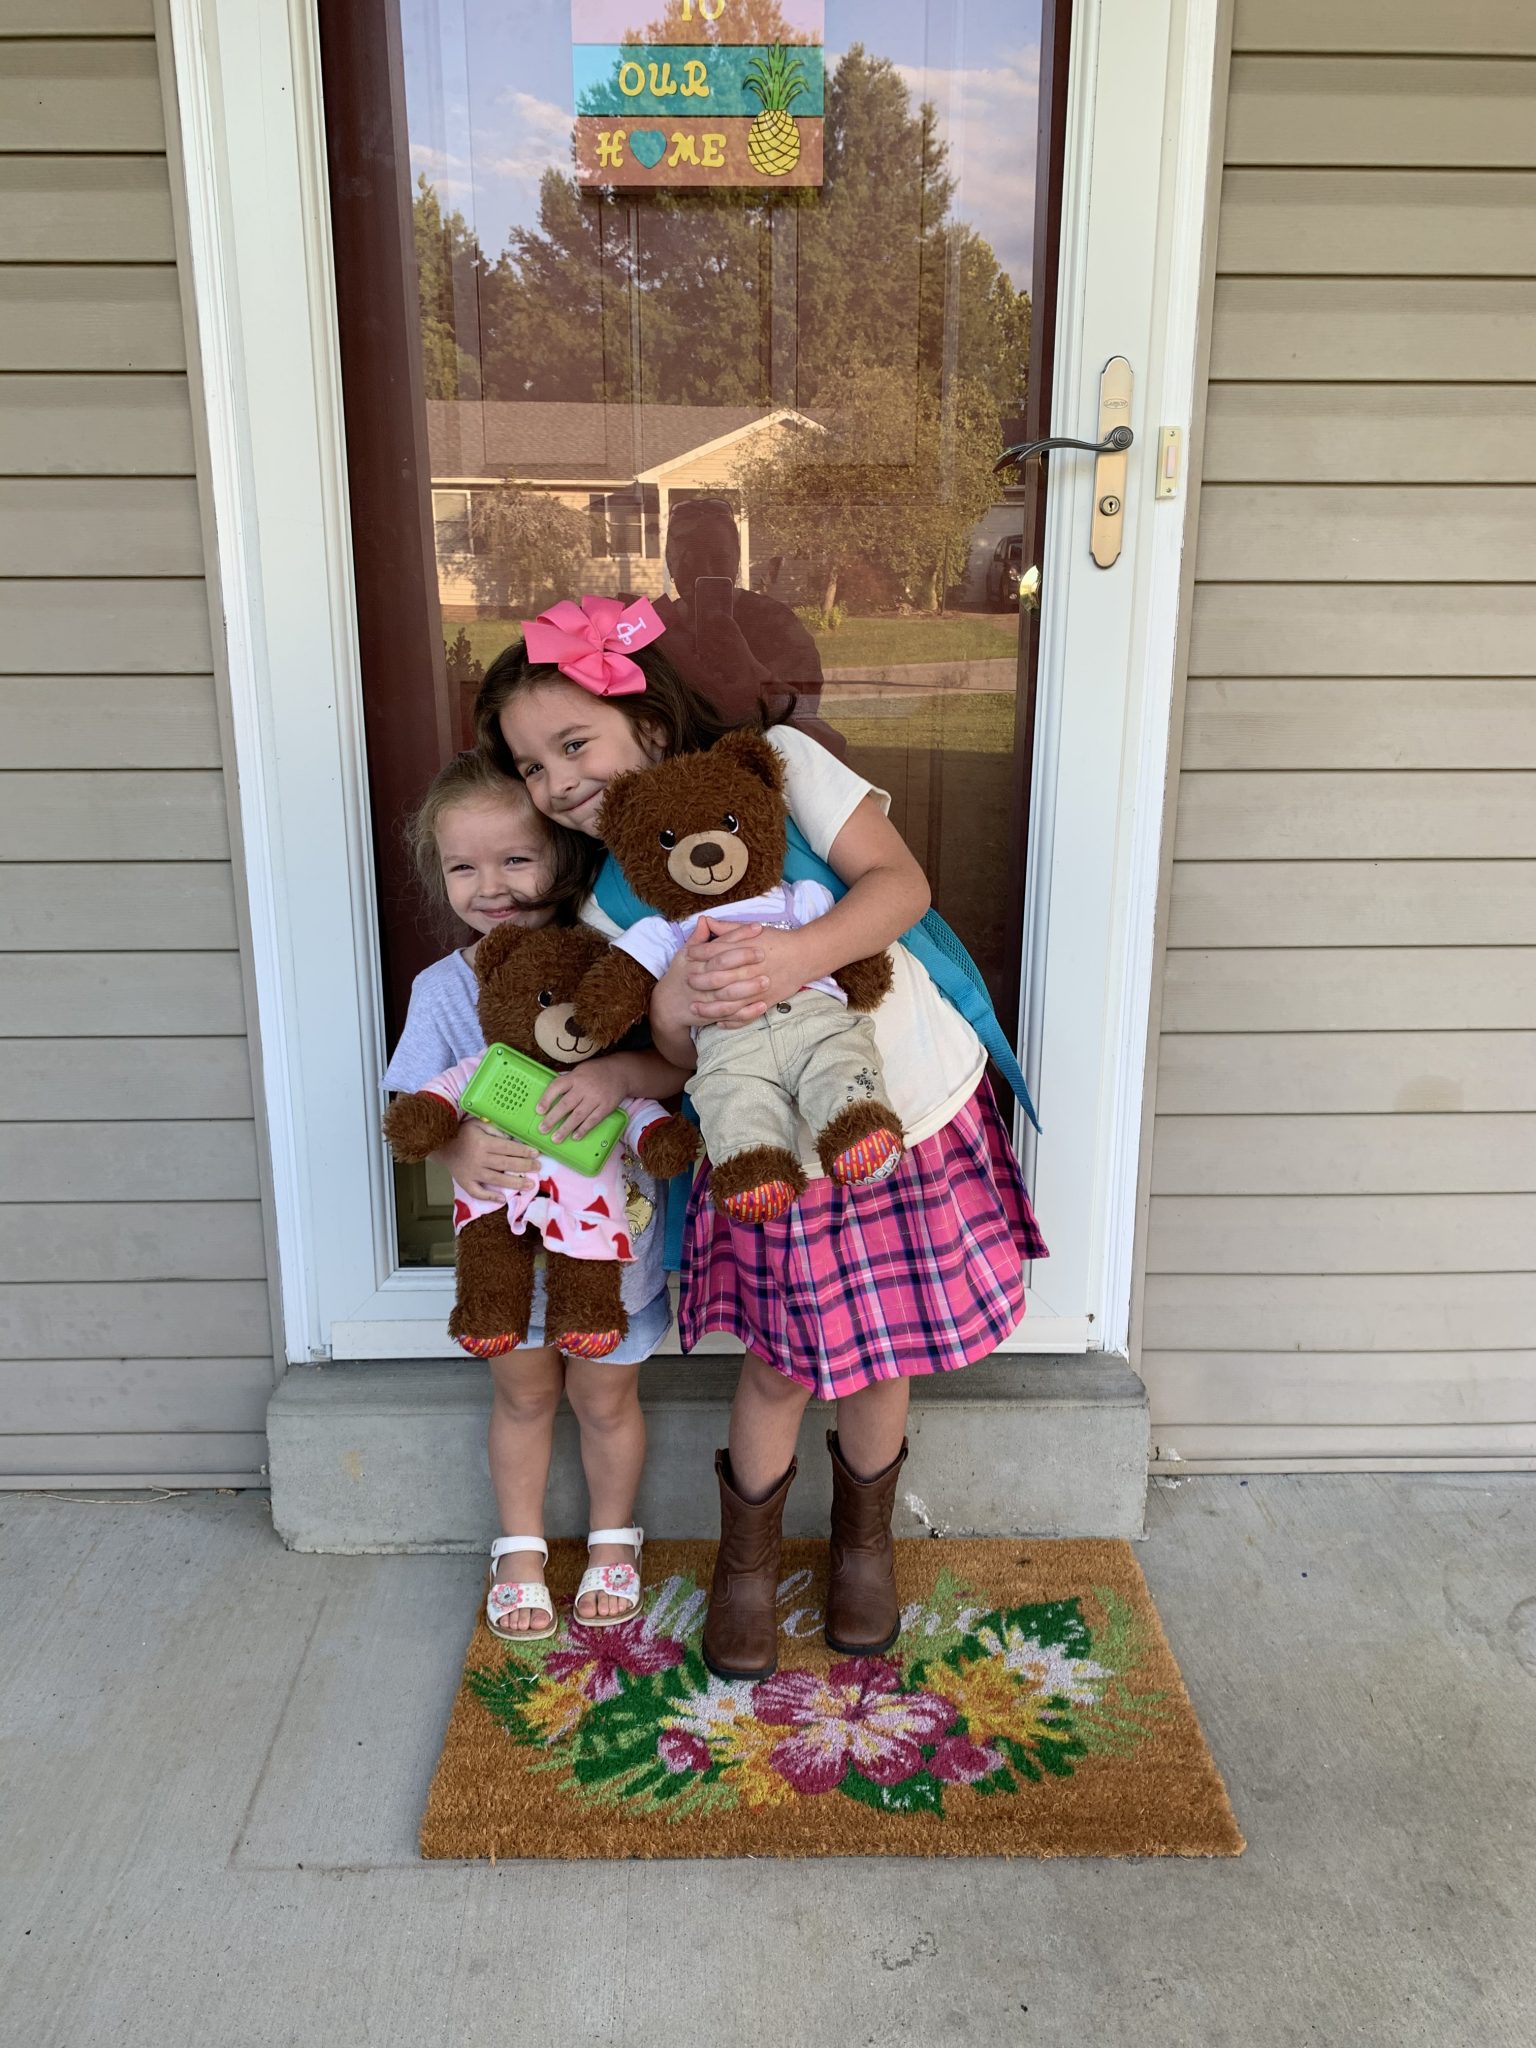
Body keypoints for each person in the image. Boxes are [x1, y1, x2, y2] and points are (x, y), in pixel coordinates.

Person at [475, 595, 1047, 1683]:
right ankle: (747, 1566)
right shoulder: (606, 902)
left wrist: (797, 955)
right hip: (769, 1153)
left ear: (649, 721)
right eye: (531, 766)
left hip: (898, 1113)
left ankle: (863, 1546)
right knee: (781, 1365)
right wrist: (671, 1007)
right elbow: (675, 1061)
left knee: (886, 1358)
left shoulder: (779, 769)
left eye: (574, 743)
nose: (555, 782)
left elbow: (900, 885)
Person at [385, 750, 691, 1641]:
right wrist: (455, 1145)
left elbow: (677, 1070)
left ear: (563, 852)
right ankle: (519, 1549)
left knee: (605, 1401)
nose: (491, 887)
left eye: (516, 859)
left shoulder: (615, 970)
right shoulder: (444, 991)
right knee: (522, 1398)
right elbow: (413, 1107)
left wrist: (615, 1075)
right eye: (463, 867)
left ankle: (612, 1540)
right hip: (507, 1250)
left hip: (613, 1246)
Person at [654, 497, 845, 755]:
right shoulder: (653, 628)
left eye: (719, 558)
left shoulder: (776, 623)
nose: (706, 570)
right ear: (671, 562)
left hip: (762, 765)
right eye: (692, 559)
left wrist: (749, 667)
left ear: (736, 560)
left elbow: (804, 717)